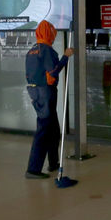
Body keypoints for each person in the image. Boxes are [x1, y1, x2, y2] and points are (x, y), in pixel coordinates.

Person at [24, 20, 74, 182]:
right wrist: (66, 57)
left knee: (53, 128)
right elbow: (53, 72)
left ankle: (53, 162)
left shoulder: (32, 50)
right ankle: (33, 169)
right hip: (45, 92)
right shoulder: (47, 50)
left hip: (34, 91)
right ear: (49, 33)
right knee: (44, 130)